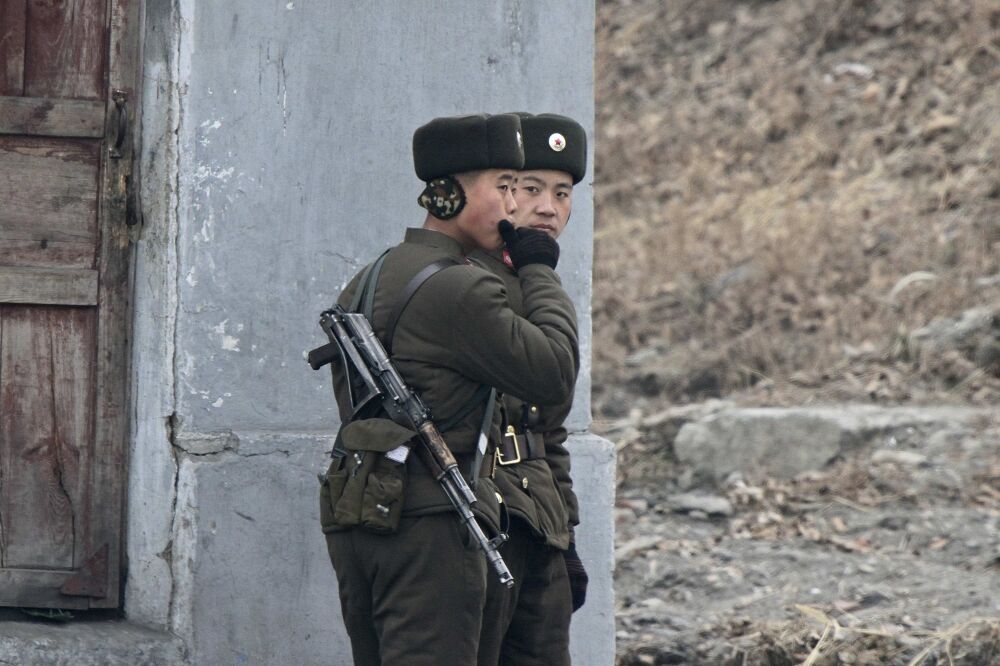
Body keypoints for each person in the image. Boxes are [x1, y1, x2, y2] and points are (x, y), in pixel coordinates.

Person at [317, 113, 580, 666]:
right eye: (507, 188)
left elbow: (539, 424)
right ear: (443, 196)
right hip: (439, 522)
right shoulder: (462, 287)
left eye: (523, 187)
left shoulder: (370, 275)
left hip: (383, 510)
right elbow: (554, 371)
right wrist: (541, 273)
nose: (518, 206)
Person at [474, 113, 589, 666]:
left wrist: (567, 537)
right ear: (503, 196)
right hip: (481, 524)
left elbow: (550, 432)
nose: (548, 206)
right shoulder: (469, 283)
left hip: (538, 526)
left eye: (562, 193)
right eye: (530, 188)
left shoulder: (537, 280)